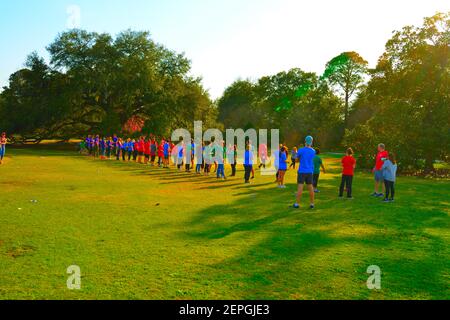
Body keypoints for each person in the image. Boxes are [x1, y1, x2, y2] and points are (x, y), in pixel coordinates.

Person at [293, 136, 316, 209]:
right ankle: (312, 203)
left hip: (302, 171)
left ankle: (297, 204)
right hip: (310, 171)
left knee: (300, 187)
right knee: (311, 187)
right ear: (311, 142)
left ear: (305, 141)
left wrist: (297, 155)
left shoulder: (301, 150)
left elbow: (296, 160)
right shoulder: (313, 151)